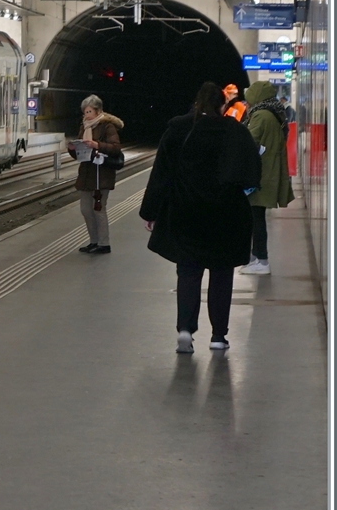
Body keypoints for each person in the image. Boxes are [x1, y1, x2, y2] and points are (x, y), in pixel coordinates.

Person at [139, 82, 261, 353]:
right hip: (225, 214)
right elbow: (252, 172)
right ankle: (218, 336)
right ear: (222, 105)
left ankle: (185, 330)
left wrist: (151, 212)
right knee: (221, 273)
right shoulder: (236, 131)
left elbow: (161, 174)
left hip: (186, 212)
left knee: (188, 271)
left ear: (196, 103)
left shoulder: (177, 129)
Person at [242, 80, 294, 275]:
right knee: (257, 217)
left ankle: (261, 260)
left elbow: (249, 141)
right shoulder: (274, 113)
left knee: (256, 218)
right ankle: (256, 257)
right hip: (267, 172)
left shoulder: (261, 116)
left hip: (261, 175)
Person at [67, 94, 123, 254]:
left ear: (98, 111)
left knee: (98, 209)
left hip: (101, 175)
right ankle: (93, 241)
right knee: (86, 209)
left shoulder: (107, 126)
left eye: (89, 111)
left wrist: (97, 144)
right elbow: (80, 153)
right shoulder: (84, 127)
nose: (86, 115)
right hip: (86, 174)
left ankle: (104, 243)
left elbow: (115, 147)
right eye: (84, 112)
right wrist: (73, 149)